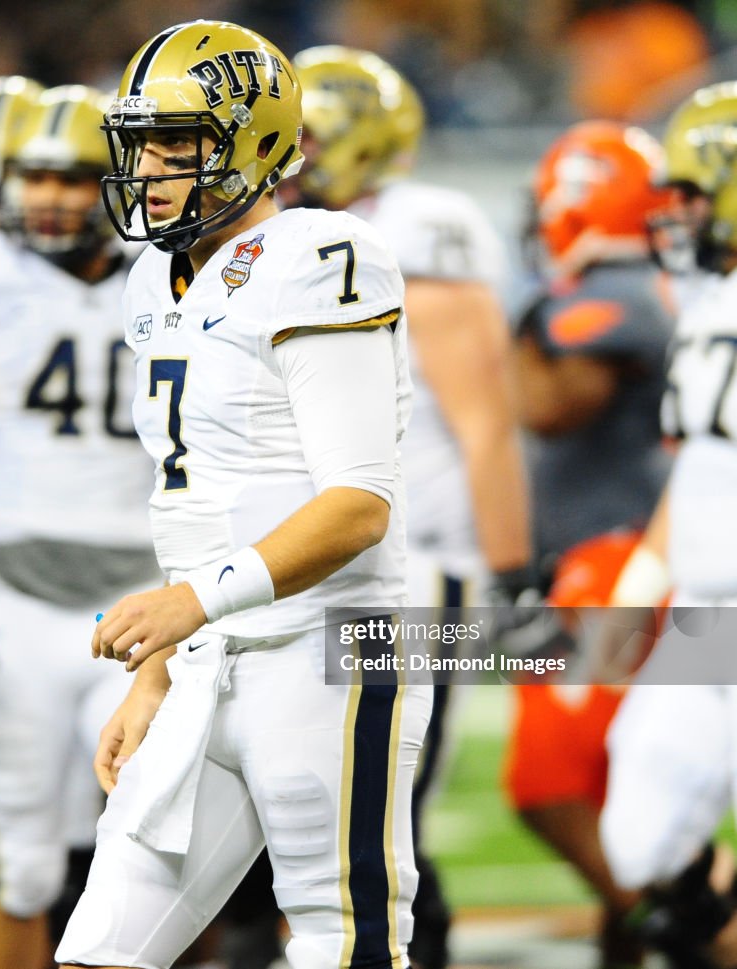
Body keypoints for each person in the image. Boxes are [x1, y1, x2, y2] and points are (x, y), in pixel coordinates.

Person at [54, 20, 432, 969]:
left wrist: (189, 604)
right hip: (211, 652)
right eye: (140, 144)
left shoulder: (322, 254)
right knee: (101, 951)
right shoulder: (151, 278)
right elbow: (198, 503)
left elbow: (358, 504)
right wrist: (157, 667)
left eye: (176, 145)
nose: (149, 169)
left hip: (332, 643)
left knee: (339, 943)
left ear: (253, 143)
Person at [0, 84, 160, 969]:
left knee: (156, 841)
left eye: (76, 177)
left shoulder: (168, 272)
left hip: (135, 607)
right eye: (34, 174)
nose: (49, 195)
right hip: (4, 598)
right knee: (17, 860)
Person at [286, 46, 534, 969]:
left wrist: (510, 567)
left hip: (414, 565)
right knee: (297, 808)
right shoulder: (285, 233)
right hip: (312, 559)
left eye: (308, 137)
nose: (291, 154)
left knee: (381, 821)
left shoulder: (418, 230)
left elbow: (486, 426)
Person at [504, 118, 679, 968]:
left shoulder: (618, 293)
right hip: (615, 567)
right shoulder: (649, 285)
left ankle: (693, 928)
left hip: (616, 570)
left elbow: (547, 405)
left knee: (548, 786)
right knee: (619, 801)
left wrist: (494, 326)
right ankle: (650, 928)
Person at [598, 81, 737, 969]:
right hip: (707, 614)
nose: (676, 212)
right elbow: (700, 463)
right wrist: (644, 579)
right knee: (639, 837)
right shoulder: (706, 306)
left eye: (692, 191)